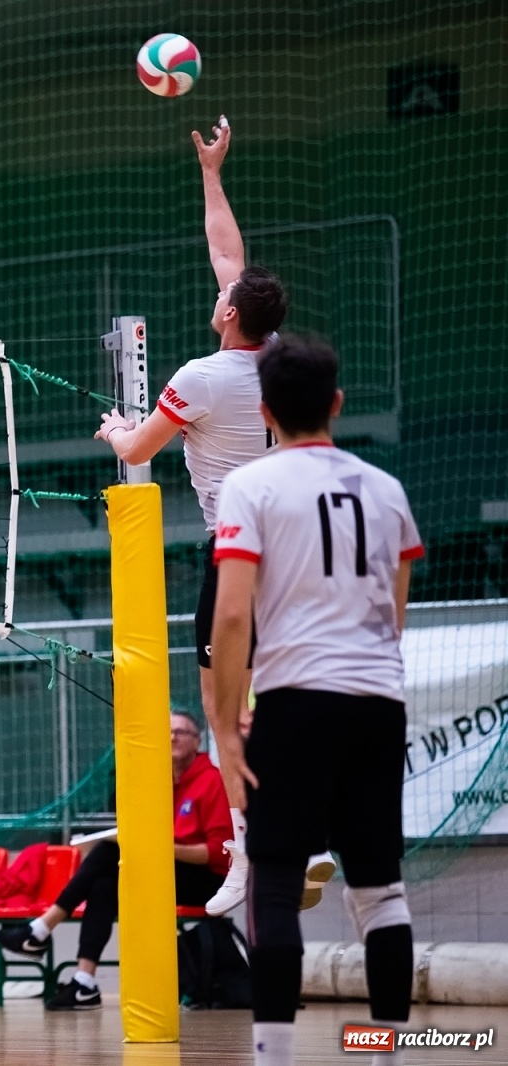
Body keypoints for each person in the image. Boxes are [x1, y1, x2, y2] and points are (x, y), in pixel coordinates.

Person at [91, 116, 323, 915]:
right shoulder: (283, 358)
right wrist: (212, 172)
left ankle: (249, 854)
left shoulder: (201, 377)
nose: (218, 284)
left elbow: (136, 453)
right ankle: (296, 831)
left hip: (239, 561)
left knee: (227, 717)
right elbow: (229, 254)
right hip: (300, 554)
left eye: (225, 292)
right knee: (277, 704)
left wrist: (119, 430)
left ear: (230, 315)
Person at [208, 336, 420, 1066]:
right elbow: (395, 615)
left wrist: (227, 725)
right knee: (380, 890)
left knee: (274, 882)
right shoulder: (386, 490)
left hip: (296, 700)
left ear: (265, 412)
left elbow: (232, 616)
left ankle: (275, 1057)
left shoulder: (251, 486)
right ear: (336, 403)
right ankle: (386, 1050)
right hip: (377, 702)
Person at [0, 710, 231, 1009]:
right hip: (166, 872)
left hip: (207, 881)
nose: (171, 737)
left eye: (181, 732)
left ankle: (40, 929)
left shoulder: (212, 781)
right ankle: (84, 982)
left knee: (109, 851)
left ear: (197, 742)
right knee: (104, 885)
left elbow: (219, 852)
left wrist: (158, 848)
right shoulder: (159, 783)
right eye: (166, 731)